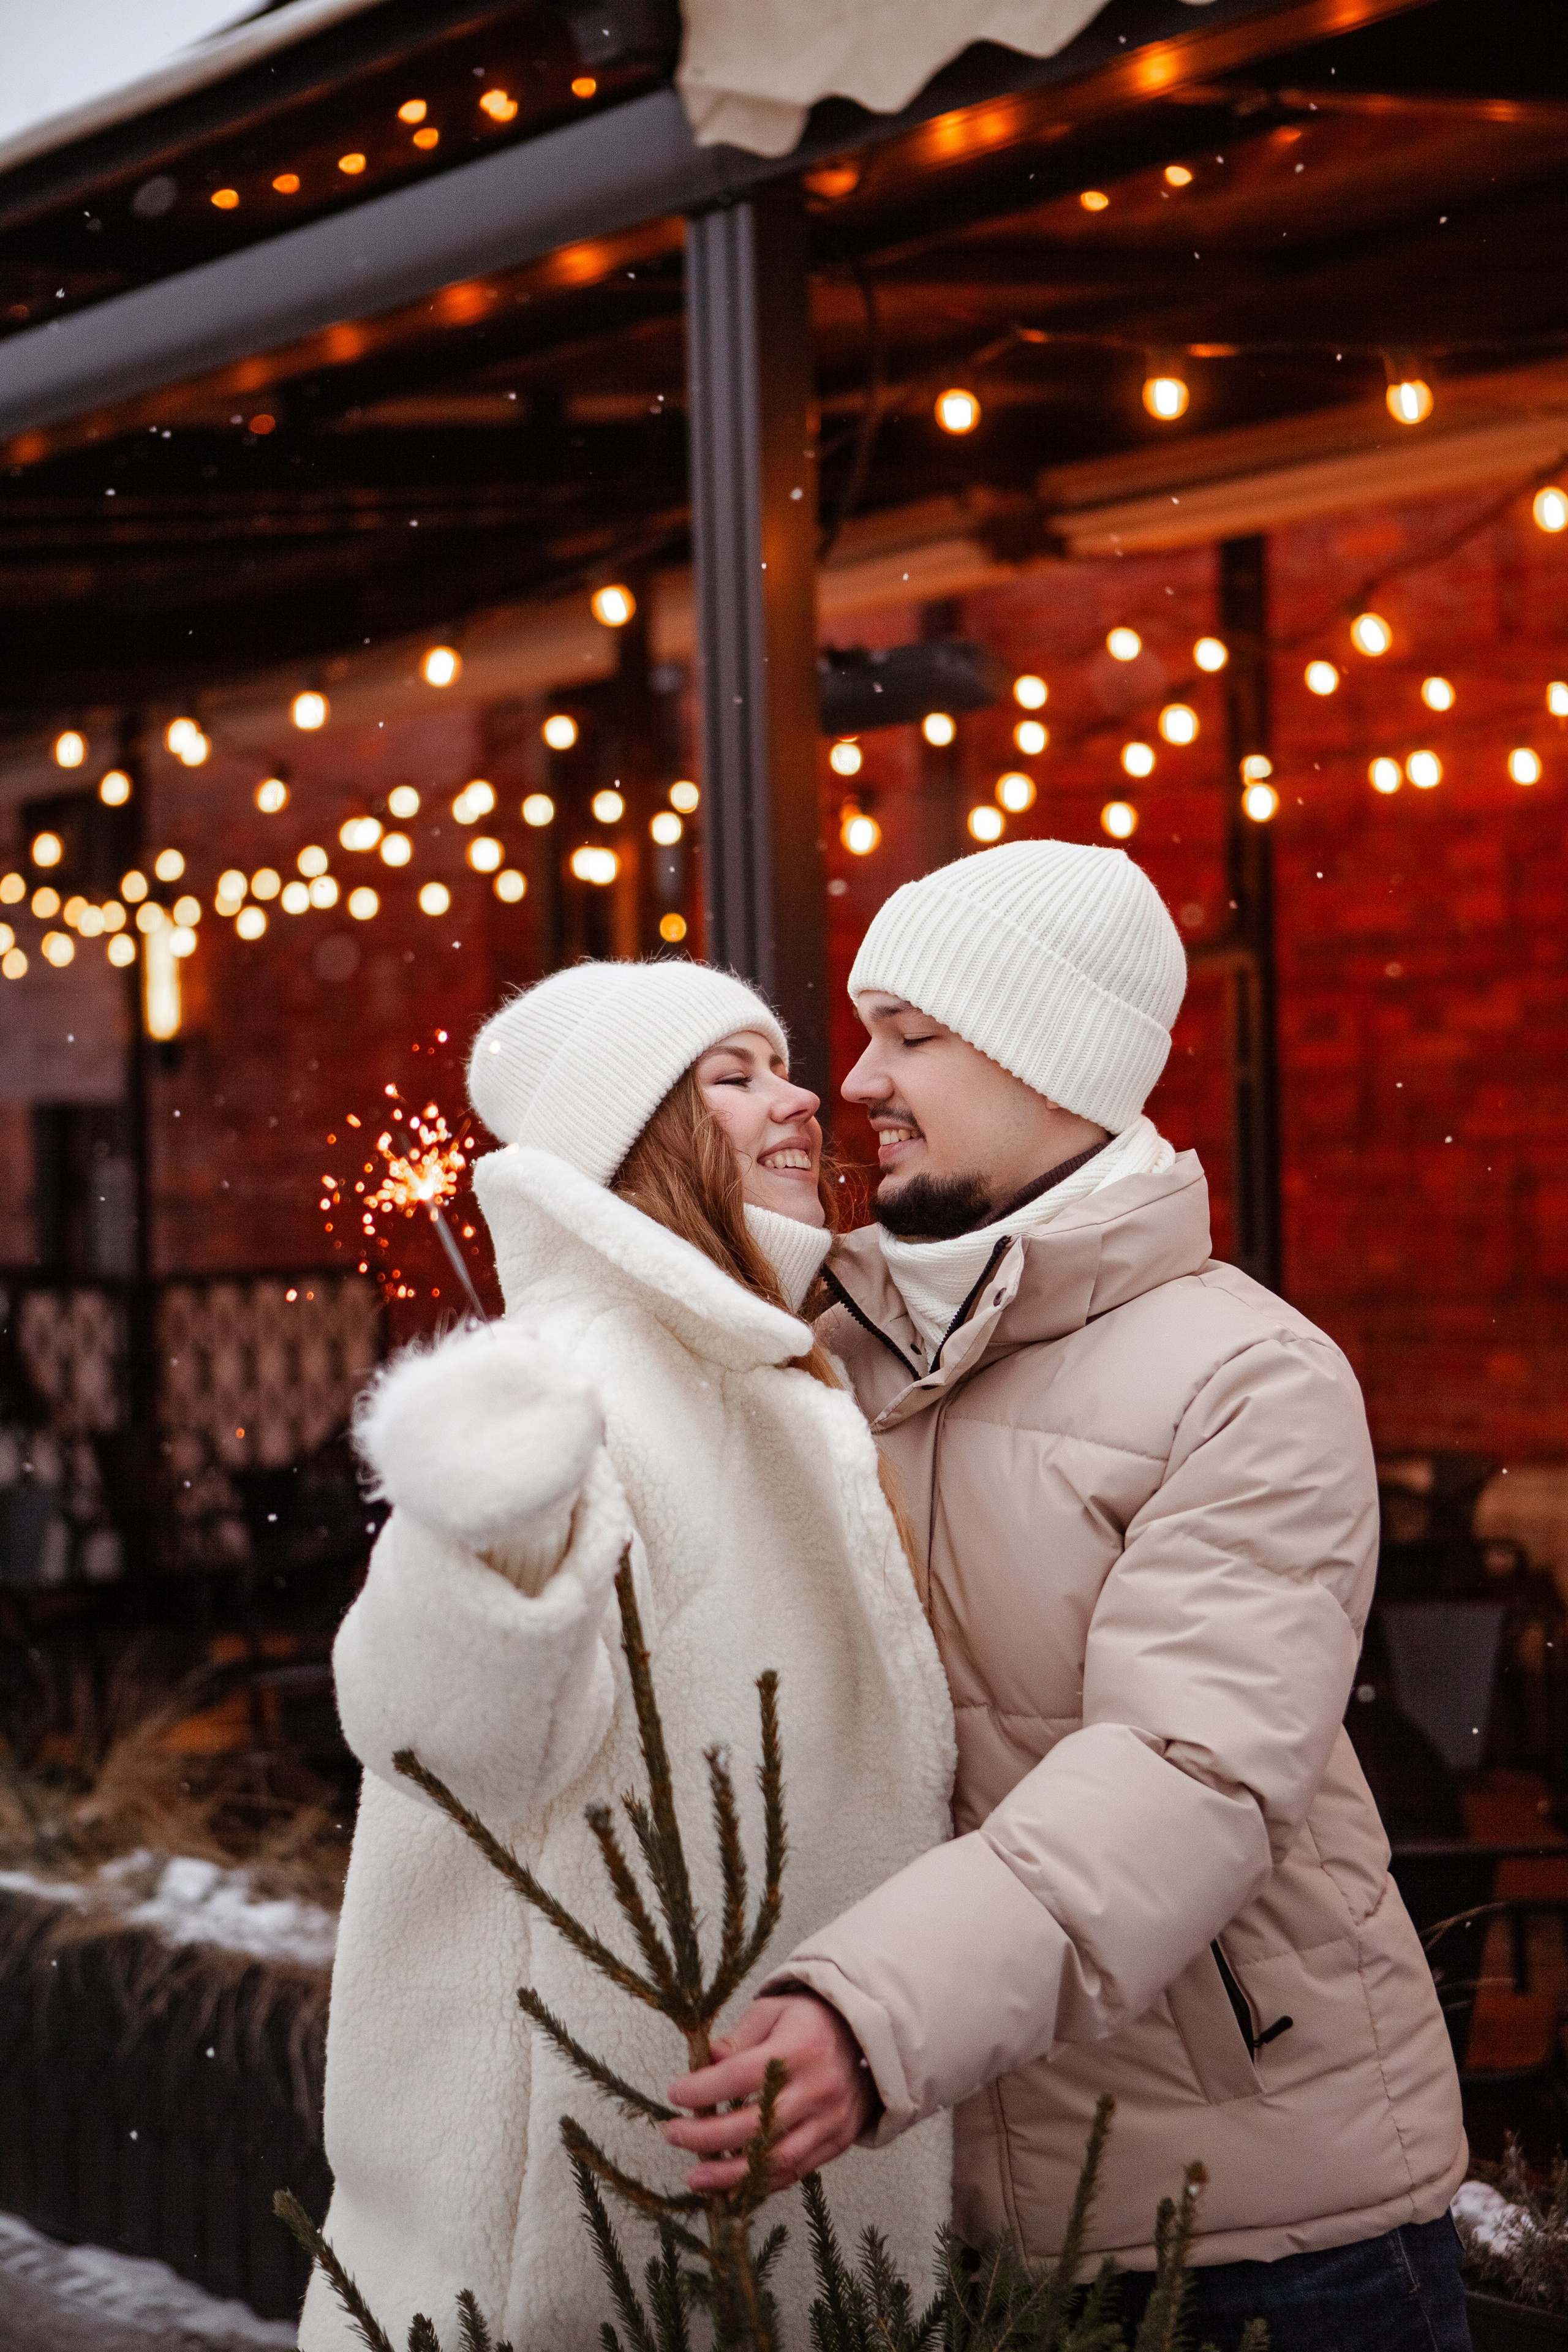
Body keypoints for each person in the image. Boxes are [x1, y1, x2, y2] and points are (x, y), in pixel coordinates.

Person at [663, 842, 1471, 2352]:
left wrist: (867, 2013)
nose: (856, 1081)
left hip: (1249, 2234)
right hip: (925, 2217)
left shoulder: (1243, 1375)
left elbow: (1181, 1774)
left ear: (1050, 1064)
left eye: (911, 1035)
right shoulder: (823, 1351)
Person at [300, 959, 955, 2350]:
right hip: (574, 2237)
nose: (801, 1101)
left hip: (745, 2208)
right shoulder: (582, 1377)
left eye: (781, 1066)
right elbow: (439, 1732)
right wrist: (481, 1532)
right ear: (638, 1138)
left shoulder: (765, 1369)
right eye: (735, 1078)